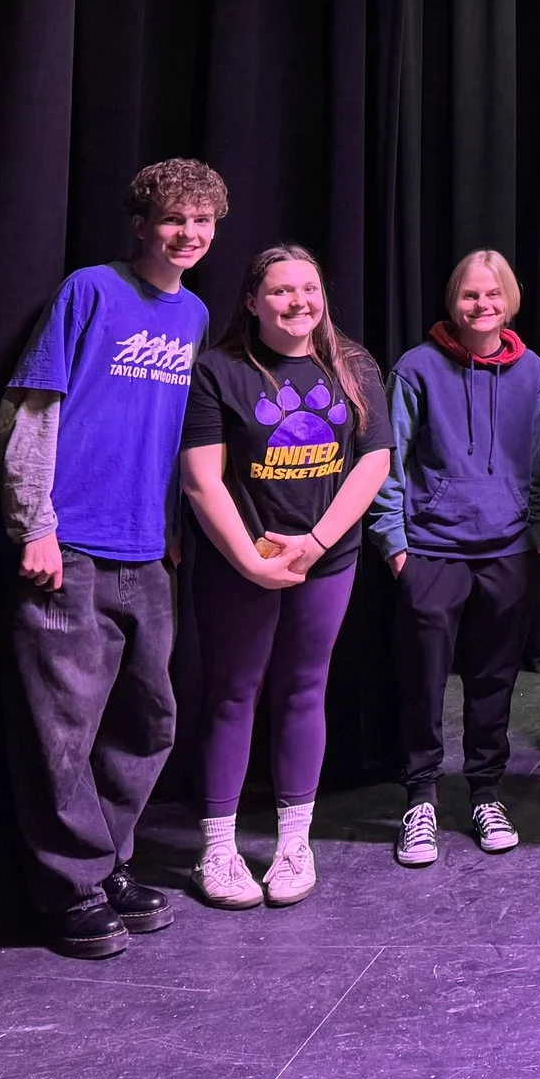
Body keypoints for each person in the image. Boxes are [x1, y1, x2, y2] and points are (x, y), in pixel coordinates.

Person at [1, 159, 228, 958]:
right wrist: (33, 523)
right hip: (71, 544)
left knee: (147, 719)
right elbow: (34, 408)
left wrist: (169, 527)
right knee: (63, 727)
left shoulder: (194, 313)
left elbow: (168, 436)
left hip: (148, 549)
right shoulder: (90, 290)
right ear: (141, 223)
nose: (189, 234)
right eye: (174, 219)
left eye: (202, 221)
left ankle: (109, 861)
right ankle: (69, 888)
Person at [181, 245, 392, 910]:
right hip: (239, 561)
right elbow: (199, 476)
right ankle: (217, 847)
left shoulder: (352, 365)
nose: (299, 300)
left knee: (305, 689)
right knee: (232, 694)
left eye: (309, 287)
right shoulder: (219, 370)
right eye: (281, 290)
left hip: (325, 556)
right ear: (251, 300)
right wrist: (250, 557)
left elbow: (375, 459)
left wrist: (318, 541)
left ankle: (293, 842)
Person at [371, 249, 540, 868]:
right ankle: (420, 797)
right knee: (423, 679)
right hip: (430, 549)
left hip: (506, 547)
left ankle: (485, 792)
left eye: (493, 295)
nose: (483, 305)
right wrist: (394, 543)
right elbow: (389, 459)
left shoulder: (532, 371)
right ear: (454, 300)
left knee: (494, 678)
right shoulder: (417, 367)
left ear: (510, 301)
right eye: (471, 295)